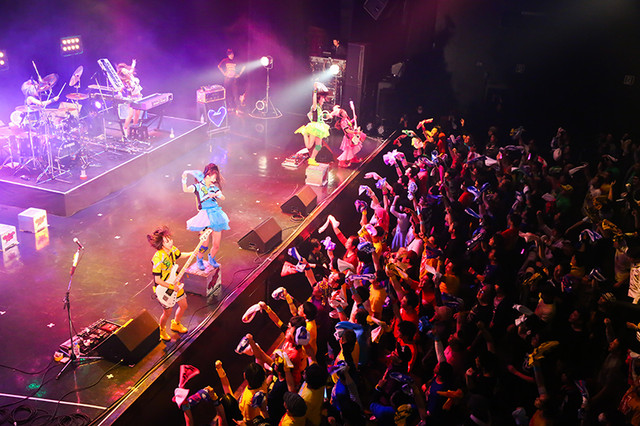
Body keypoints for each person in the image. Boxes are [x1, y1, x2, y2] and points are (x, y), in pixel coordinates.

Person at [182, 163, 230, 269]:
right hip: (204, 216)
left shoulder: (213, 187)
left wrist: (216, 194)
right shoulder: (198, 187)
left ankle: (211, 258)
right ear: (208, 175)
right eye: (213, 177)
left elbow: (223, 197)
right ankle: (199, 259)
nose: (214, 180)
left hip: (216, 215)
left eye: (215, 178)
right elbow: (186, 189)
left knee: (216, 244)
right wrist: (184, 179)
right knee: (204, 244)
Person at [147, 225, 189, 341]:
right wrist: (171, 286)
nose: (170, 242)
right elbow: (157, 280)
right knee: (167, 312)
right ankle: (162, 330)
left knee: (184, 305)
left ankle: (176, 323)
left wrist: (192, 253)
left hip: (175, 283)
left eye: (170, 239)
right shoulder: (158, 258)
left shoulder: (172, 249)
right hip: (164, 288)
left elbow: (180, 255)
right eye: (167, 241)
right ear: (161, 243)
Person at [294, 82, 331, 166]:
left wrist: (329, 115)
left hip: (319, 127)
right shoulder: (315, 106)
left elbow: (321, 116)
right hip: (314, 127)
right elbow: (314, 100)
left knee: (318, 146)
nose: (324, 100)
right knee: (309, 146)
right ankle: (304, 132)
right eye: (322, 98)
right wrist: (315, 90)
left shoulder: (320, 108)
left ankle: (311, 159)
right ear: (318, 99)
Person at [116, 59, 142, 138]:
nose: (127, 72)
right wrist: (119, 93)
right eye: (125, 72)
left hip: (139, 96)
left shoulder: (131, 75)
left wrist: (133, 63)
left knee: (137, 114)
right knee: (130, 115)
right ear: (123, 74)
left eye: (126, 70)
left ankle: (134, 129)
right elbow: (121, 89)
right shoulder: (125, 82)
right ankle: (125, 129)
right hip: (132, 98)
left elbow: (132, 69)